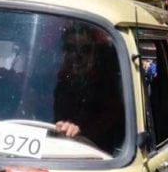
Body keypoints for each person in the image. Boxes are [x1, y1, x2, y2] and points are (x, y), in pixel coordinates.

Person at [53, 24, 125, 154]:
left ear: (94, 55)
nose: (77, 56)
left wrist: (79, 131)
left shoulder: (107, 91)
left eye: (85, 50)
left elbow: (105, 125)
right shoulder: (50, 83)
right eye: (70, 48)